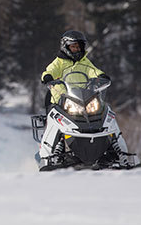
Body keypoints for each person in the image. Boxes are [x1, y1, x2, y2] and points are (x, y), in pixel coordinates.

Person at [40, 30, 130, 165]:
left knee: (108, 114)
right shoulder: (59, 62)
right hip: (62, 100)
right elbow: (49, 71)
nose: (77, 49)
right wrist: (48, 78)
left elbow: (93, 71)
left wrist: (101, 76)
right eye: (74, 46)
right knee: (55, 117)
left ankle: (120, 153)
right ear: (66, 46)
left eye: (79, 46)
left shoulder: (85, 62)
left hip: (84, 100)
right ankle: (49, 155)